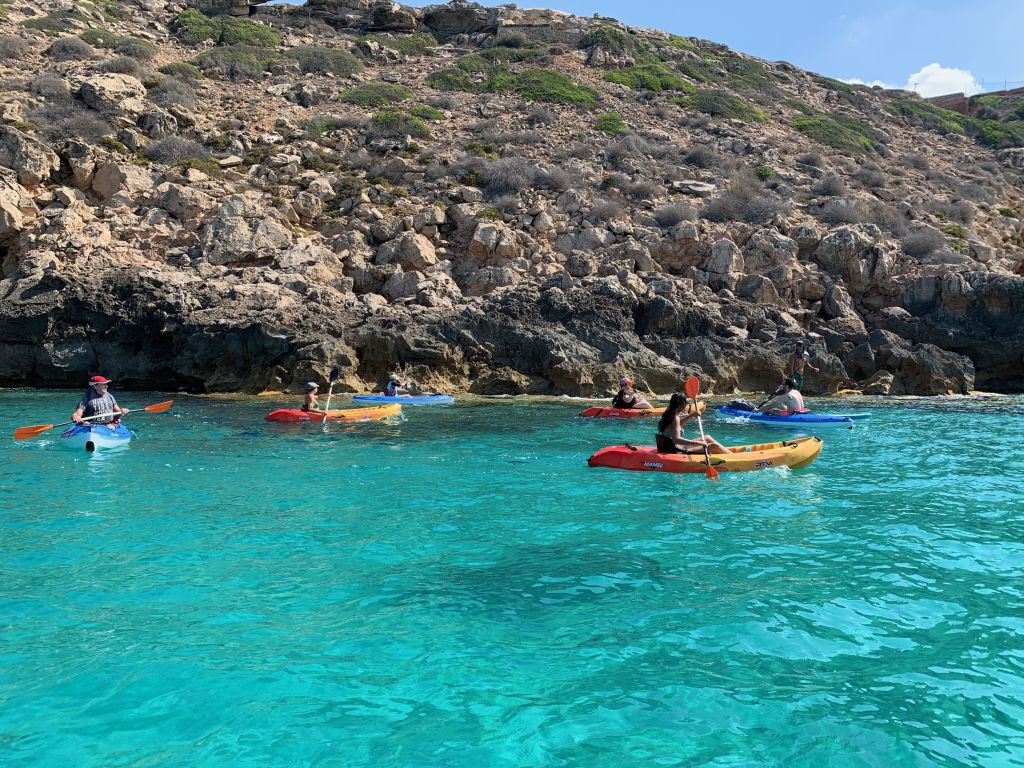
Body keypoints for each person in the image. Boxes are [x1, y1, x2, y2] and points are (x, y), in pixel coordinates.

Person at [655, 392, 729, 455]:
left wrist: (691, 415)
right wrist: (698, 443)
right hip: (677, 451)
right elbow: (676, 439)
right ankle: (732, 457)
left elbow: (676, 426)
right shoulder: (675, 417)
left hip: (671, 447)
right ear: (683, 405)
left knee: (707, 437)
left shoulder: (668, 414)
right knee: (714, 445)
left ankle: (728, 453)